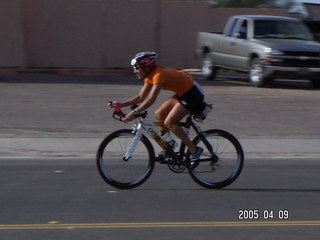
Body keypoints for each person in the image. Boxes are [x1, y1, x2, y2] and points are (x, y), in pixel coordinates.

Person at [114, 52, 207, 165]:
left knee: (170, 122)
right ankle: (170, 143)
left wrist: (135, 112)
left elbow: (151, 99)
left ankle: (194, 150)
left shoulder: (158, 75)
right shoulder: (149, 76)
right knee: (159, 114)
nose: (134, 71)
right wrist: (122, 104)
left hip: (193, 94)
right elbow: (141, 97)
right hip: (183, 93)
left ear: (146, 67)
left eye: (136, 68)